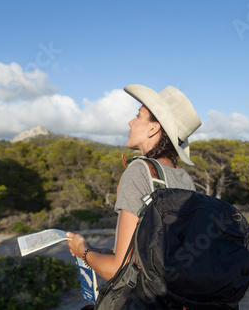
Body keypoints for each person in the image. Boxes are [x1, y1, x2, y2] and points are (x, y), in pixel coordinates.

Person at [66, 83, 202, 282]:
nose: (131, 122)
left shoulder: (139, 171)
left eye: (138, 116)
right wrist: (108, 252)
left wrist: (83, 252)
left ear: (153, 128)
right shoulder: (184, 177)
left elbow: (117, 270)